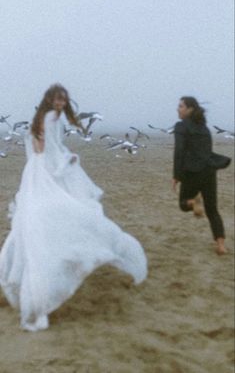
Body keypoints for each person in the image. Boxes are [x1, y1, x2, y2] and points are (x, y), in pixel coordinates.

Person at [0, 84, 147, 332]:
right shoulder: (49, 117)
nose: (60, 103)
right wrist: (63, 163)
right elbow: (47, 149)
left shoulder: (48, 117)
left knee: (35, 220)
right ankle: (40, 286)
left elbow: (46, 147)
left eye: (63, 99)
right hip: (44, 171)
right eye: (57, 99)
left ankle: (24, 276)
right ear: (50, 99)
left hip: (41, 169)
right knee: (54, 216)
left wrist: (62, 158)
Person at [172, 96, 227, 255]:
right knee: (212, 210)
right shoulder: (204, 128)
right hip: (209, 170)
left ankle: (193, 202)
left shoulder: (181, 126)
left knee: (183, 204)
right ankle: (221, 245)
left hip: (192, 172)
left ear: (190, 109)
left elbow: (179, 151)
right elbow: (206, 151)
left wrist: (176, 175)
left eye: (181, 106)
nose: (178, 109)